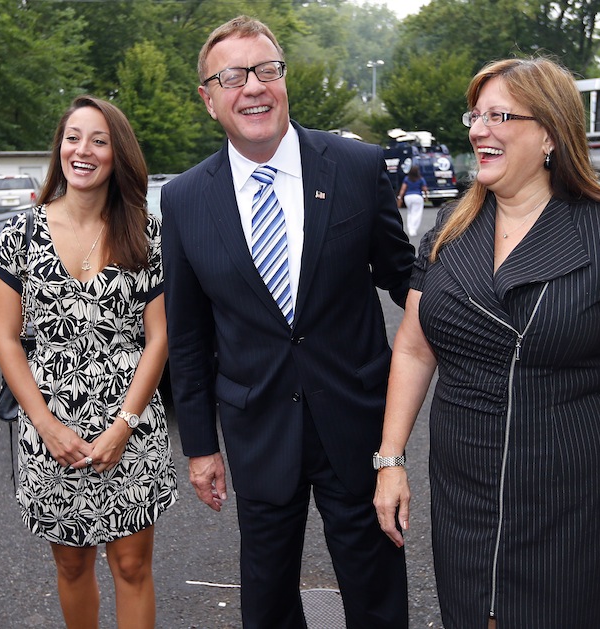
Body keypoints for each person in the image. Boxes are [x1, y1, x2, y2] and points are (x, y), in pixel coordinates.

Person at [374, 57, 600, 629]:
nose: (477, 129)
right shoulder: (448, 229)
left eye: (499, 115)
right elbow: (415, 349)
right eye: (475, 115)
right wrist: (390, 460)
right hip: (462, 482)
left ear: (548, 132)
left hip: (568, 487)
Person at [161, 16, 414, 629]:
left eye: (266, 70)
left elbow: (404, 278)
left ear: (284, 82)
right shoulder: (186, 198)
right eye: (233, 76)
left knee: (375, 590)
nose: (253, 86)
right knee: (268, 599)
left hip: (356, 423)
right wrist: (199, 446)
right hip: (258, 427)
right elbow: (188, 334)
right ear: (209, 98)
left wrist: (472, 331)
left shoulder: (356, 167)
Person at [0, 95, 177, 629]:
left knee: (132, 565)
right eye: (74, 137)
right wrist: (46, 425)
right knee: (72, 566)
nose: (84, 150)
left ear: (117, 155)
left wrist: (125, 426)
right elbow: (6, 338)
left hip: (130, 428)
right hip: (51, 430)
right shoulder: (20, 234)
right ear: (60, 148)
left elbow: (158, 339)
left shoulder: (146, 233)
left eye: (99, 140)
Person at [397, 163, 428, 237]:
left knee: (410, 212)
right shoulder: (421, 179)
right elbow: (425, 189)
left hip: (408, 197)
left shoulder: (407, 178)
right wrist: (426, 196)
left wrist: (400, 197)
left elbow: (403, 189)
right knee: (417, 213)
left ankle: (410, 228)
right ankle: (413, 229)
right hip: (417, 197)